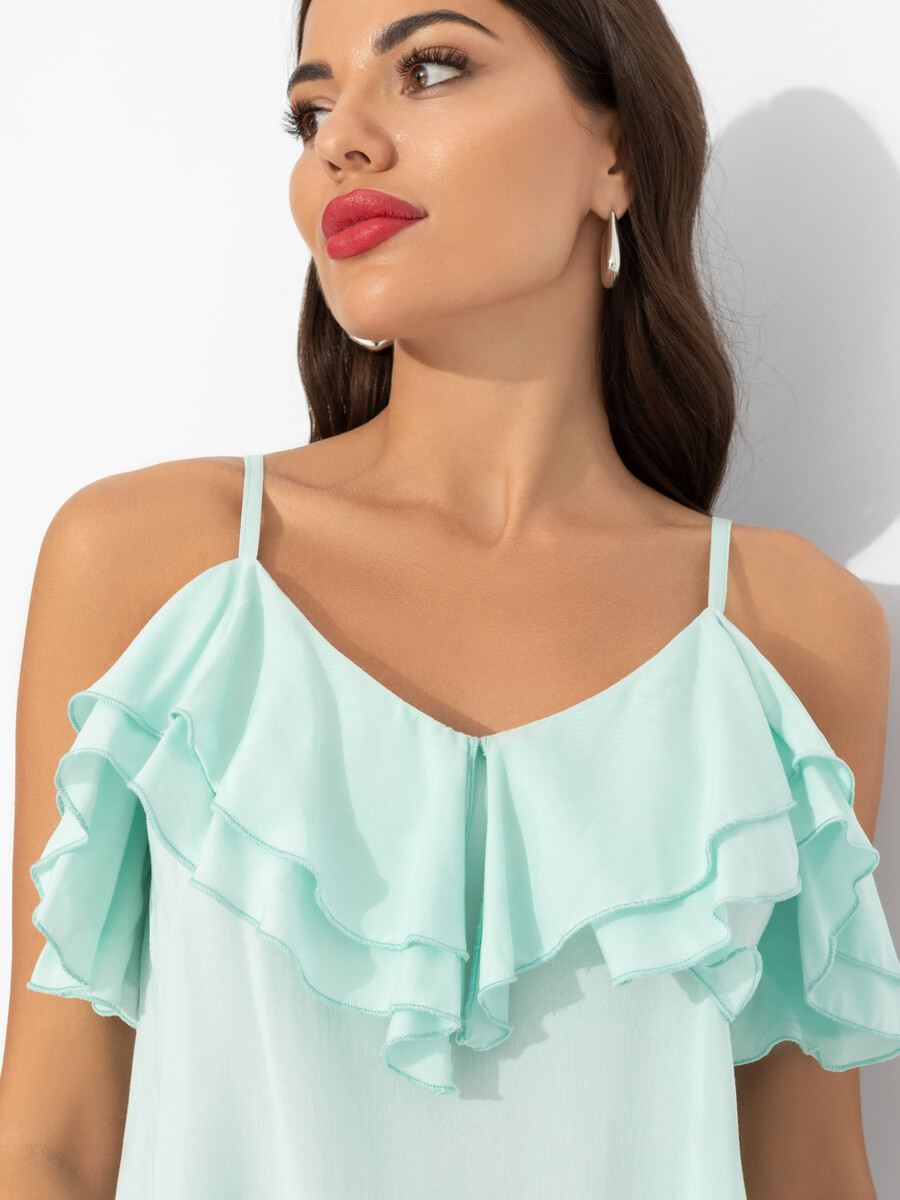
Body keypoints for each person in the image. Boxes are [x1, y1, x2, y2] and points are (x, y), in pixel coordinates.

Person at [2, 0, 898, 1197]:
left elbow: (809, 1168)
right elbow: (47, 1148)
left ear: (617, 152)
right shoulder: (155, 571)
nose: (341, 141)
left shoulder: (789, 634)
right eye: (311, 110)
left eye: (429, 67)